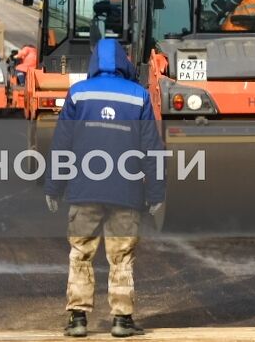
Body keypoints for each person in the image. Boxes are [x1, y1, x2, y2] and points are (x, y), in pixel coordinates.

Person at [44, 38, 164, 338]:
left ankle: (78, 320)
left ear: (94, 61)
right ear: (124, 61)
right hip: (127, 193)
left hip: (85, 191)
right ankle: (122, 320)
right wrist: (157, 194)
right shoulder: (139, 96)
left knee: (81, 253)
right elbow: (152, 149)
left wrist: (53, 188)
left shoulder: (78, 95)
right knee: (121, 257)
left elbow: (63, 146)